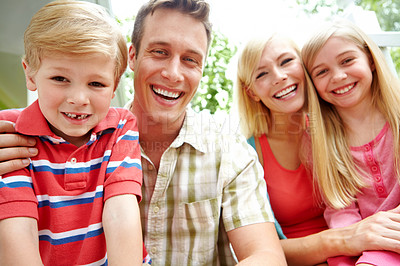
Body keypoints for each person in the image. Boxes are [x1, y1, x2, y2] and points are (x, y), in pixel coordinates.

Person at [0, 0, 287, 265]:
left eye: (190, 60)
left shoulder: (230, 151)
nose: (173, 74)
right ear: (132, 58)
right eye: (160, 52)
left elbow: (266, 256)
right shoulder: (22, 145)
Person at [0, 1, 149, 265]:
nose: (79, 98)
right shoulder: (12, 133)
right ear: (30, 74)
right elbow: (16, 230)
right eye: (60, 79)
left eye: (96, 83)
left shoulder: (120, 127)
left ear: (114, 86)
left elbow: (121, 214)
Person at [236, 32, 400, 265]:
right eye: (262, 73)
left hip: (369, 248)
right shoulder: (247, 155)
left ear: (305, 69)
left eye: (286, 61)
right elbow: (265, 250)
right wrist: (347, 240)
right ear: (251, 92)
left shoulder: (336, 129)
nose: (280, 76)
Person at [302, 19, 400, 265]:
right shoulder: (320, 142)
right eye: (321, 71)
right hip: (363, 246)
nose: (338, 76)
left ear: (369, 59)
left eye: (347, 60)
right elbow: (340, 211)